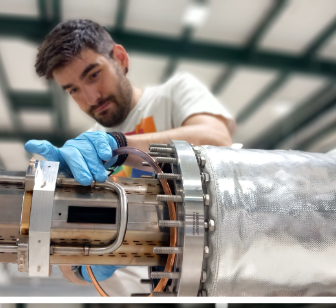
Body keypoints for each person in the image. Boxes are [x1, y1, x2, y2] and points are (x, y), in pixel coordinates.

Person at [25, 19, 235, 291]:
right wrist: (84, 272)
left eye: (93, 75)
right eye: (73, 89)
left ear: (120, 59)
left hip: (205, 279)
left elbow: (217, 139)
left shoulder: (172, 95)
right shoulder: (85, 150)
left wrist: (121, 144)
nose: (90, 96)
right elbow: (64, 257)